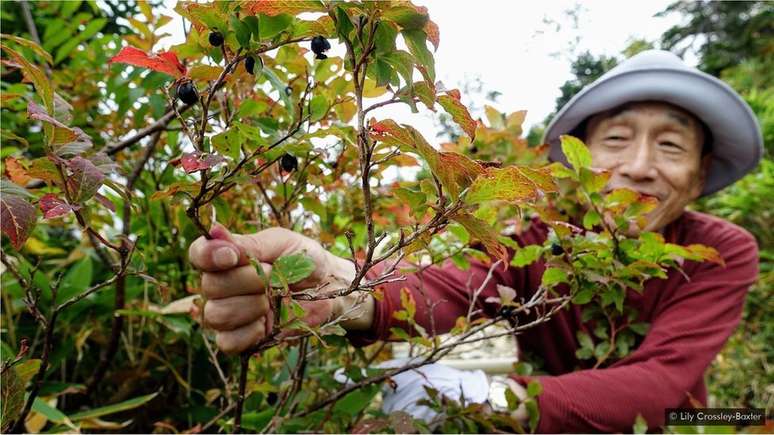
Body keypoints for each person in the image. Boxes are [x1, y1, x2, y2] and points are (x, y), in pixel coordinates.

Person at [187, 50, 762, 432]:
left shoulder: (723, 250)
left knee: (745, 416)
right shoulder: (543, 240)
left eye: (670, 146)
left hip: (689, 420)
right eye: (616, 139)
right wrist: (346, 291)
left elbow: (662, 383)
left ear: (701, 171)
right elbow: (454, 285)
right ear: (580, 160)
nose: (638, 166)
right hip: (569, 413)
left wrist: (499, 401)